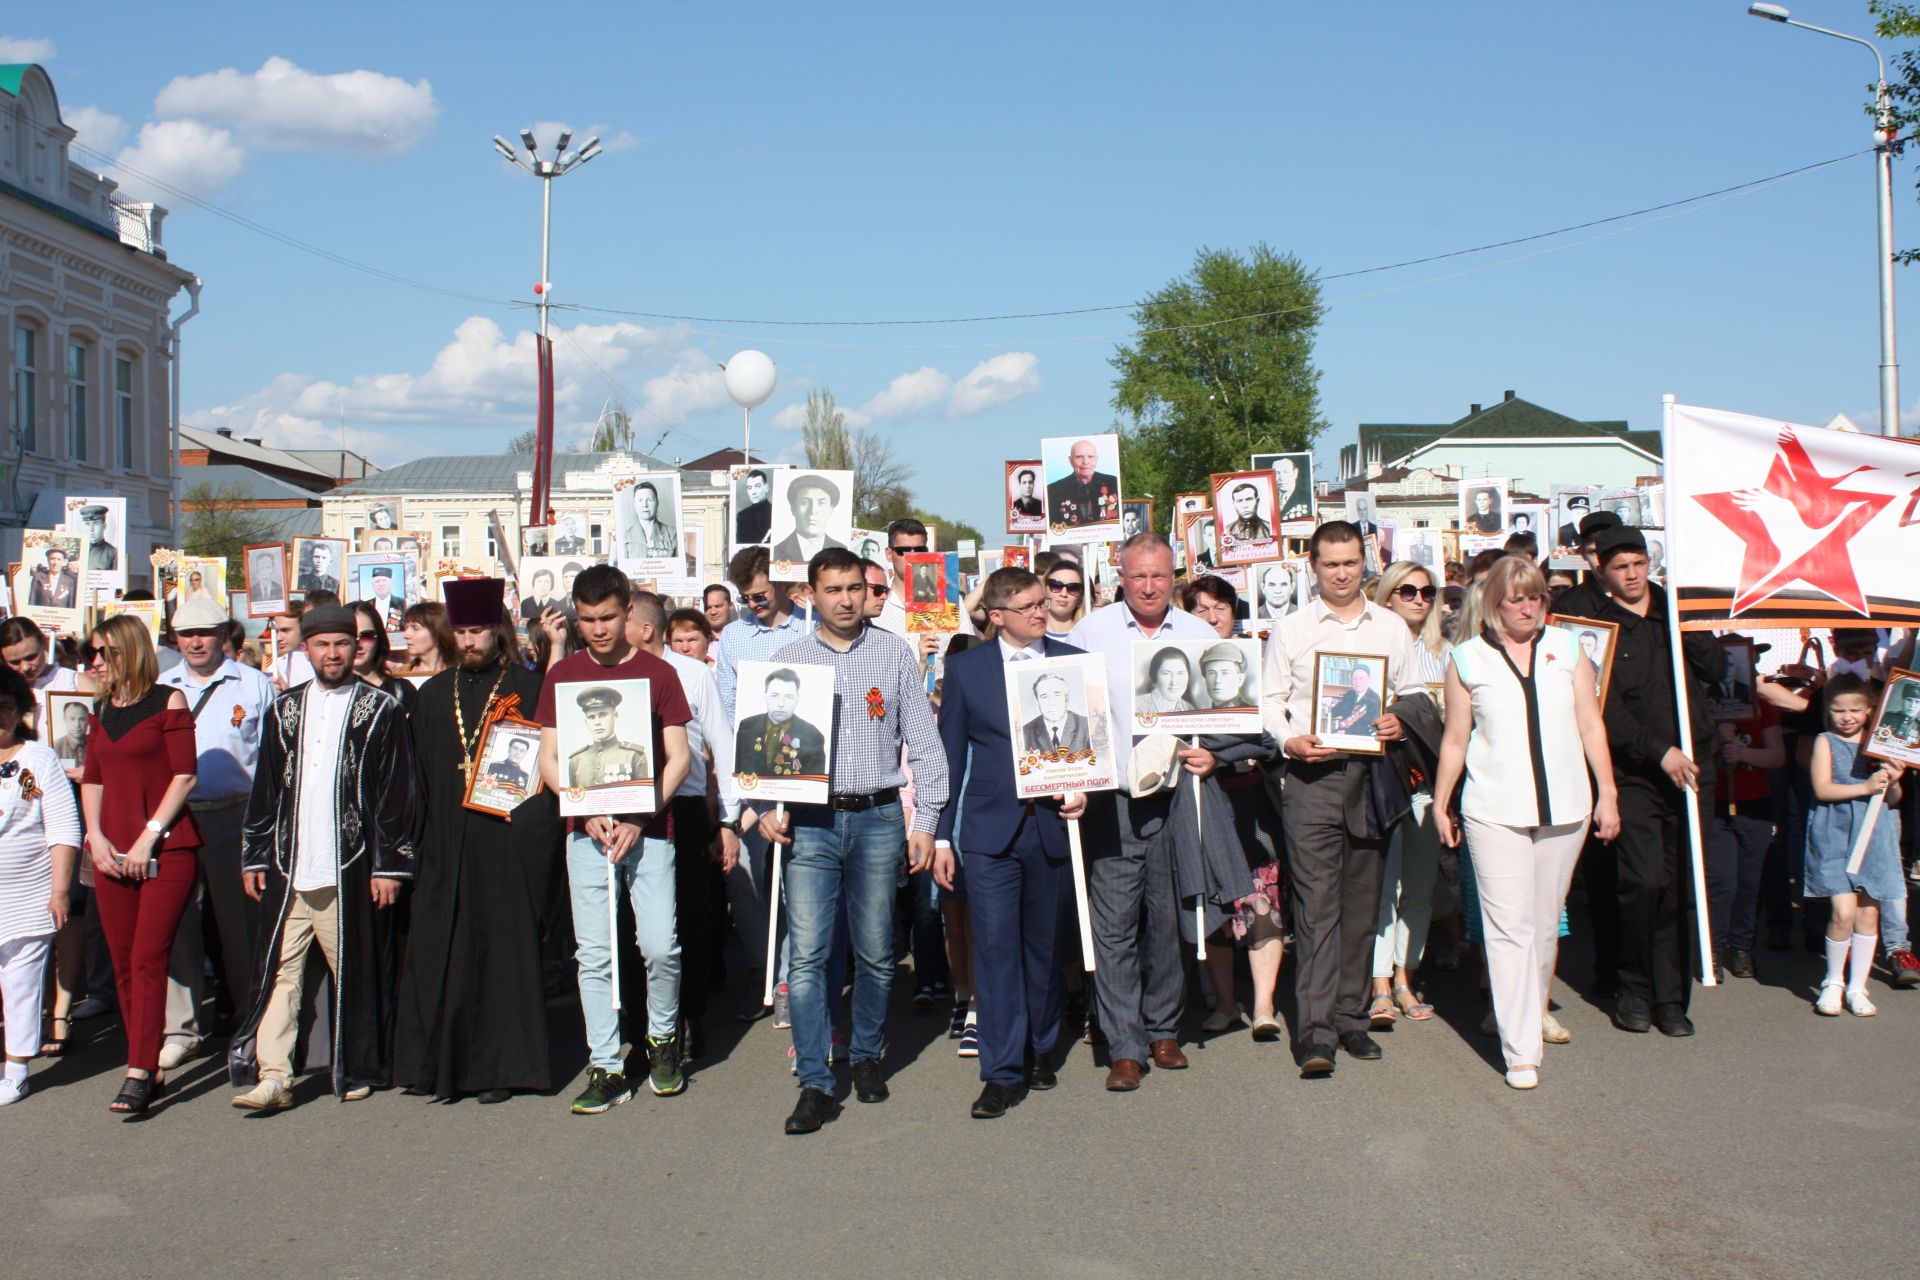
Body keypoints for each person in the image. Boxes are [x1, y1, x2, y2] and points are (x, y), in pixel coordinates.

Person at [757, 547, 949, 1134]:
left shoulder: (892, 653)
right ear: (809, 594)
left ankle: (865, 1056)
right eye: (832, 589)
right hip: (811, 824)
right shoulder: (787, 659)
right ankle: (815, 1080)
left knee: (875, 953)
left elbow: (924, 741)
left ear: (867, 593)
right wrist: (765, 804)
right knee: (810, 956)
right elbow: (760, 746)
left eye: (853, 589)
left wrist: (927, 821)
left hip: (877, 819)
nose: (844, 600)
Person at [1431, 556, 1621, 1089]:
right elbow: (1455, 739)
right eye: (1515, 598)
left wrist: (1607, 793)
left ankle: (1528, 1014)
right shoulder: (1467, 658)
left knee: (1542, 925)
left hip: (1566, 807)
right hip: (1494, 809)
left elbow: (1590, 724)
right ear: (1493, 604)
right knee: (1508, 928)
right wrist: (1442, 802)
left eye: (1535, 596)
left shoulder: (1567, 649)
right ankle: (1521, 1050)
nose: (1526, 606)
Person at [1262, 521, 1436, 1076]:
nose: (1342, 573)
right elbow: (1270, 700)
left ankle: (1351, 1019)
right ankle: (1314, 1034)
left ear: (1366, 563)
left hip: (1373, 778)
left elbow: (1413, 695)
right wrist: (1288, 738)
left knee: (1363, 905)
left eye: (1351, 562)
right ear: (1312, 566)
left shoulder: (1390, 627)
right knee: (1317, 909)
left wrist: (1397, 721)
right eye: (1331, 563)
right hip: (1311, 780)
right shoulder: (1290, 629)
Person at [228, 605, 416, 1111]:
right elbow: (265, 789)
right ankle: (274, 1075)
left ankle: (354, 1065)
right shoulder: (284, 708)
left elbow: (396, 795)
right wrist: (255, 855)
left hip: (348, 865)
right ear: (304, 649)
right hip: (290, 867)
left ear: (357, 648)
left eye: (341, 644)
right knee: (279, 971)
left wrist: (389, 865)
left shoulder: (381, 708)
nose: (331, 654)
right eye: (321, 645)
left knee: (352, 969)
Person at [396, 578, 561, 1104]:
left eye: (478, 631)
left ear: (498, 630)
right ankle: (438, 1065)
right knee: (442, 949)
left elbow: (546, 774)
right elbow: (418, 776)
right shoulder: (432, 695)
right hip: (445, 841)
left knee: (501, 953)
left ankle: (500, 1067)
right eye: (461, 631)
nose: (469, 641)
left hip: (505, 843)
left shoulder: (528, 689)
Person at [535, 566, 692, 1114]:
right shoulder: (562, 675)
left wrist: (639, 817)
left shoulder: (659, 673)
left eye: (607, 618)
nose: (597, 629)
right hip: (587, 835)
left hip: (650, 834)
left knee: (658, 946)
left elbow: (680, 757)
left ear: (629, 613)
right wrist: (583, 808)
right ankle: (605, 1062)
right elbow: (549, 761)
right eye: (586, 620)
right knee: (594, 954)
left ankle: (663, 1039)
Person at [1067, 533, 1217, 1091]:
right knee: (1114, 923)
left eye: (1159, 576)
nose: (1149, 587)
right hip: (1112, 796)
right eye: (1138, 577)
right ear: (1119, 578)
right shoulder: (1091, 633)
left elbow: (1226, 714)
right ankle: (1124, 1045)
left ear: (1173, 576)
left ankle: (1163, 1029)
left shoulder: (1201, 635)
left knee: (1168, 915)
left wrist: (1213, 752)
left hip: (1179, 794)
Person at [933, 568, 1084, 1118]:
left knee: (1042, 951)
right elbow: (949, 758)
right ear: (996, 616)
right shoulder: (966, 669)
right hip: (989, 831)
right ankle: (1000, 1071)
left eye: (1042, 604)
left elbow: (1092, 741)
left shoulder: (1070, 659)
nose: (1041, 613)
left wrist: (1083, 791)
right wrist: (942, 834)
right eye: (1027, 607)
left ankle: (1042, 1047)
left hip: (1051, 825)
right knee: (995, 952)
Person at [1583, 525, 1724, 1037]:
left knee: (1682, 886)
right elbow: (1604, 709)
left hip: (1692, 768)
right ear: (1604, 573)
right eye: (1621, 567)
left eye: (1639, 563)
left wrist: (1692, 620)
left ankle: (1670, 997)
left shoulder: (1675, 611)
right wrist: (1657, 751)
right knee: (1644, 882)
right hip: (1637, 772)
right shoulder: (1598, 628)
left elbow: (1715, 667)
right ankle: (1633, 987)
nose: (1633, 574)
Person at [79, 615, 202, 1114]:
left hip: (166, 850)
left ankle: (136, 1071)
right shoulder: (102, 707)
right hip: (111, 852)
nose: (92, 663)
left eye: (100, 653)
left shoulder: (168, 701)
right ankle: (146, 1063)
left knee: (150, 957)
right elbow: (92, 778)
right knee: (124, 960)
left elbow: (185, 776)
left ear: (125, 652)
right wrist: (97, 838)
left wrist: (148, 838)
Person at [153, 597, 276, 1075]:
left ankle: (249, 1028)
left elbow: (270, 759)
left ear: (223, 633)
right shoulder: (162, 686)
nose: (196, 642)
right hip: (180, 815)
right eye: (186, 634)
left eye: (205, 632)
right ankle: (181, 1030)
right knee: (178, 922)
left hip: (236, 814)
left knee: (238, 925)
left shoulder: (254, 683)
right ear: (175, 639)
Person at [1184, 576, 1287, 1041]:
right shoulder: (1178, 670)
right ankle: (1226, 1003)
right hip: (1202, 802)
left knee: (1262, 899)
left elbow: (1270, 737)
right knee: (1218, 907)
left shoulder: (1257, 663)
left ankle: (1264, 1005)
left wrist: (1222, 753)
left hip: (1250, 800)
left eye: (1219, 607)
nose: (1210, 617)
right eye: (1199, 609)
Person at [713, 547, 809, 1015]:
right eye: (746, 597)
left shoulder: (810, 623)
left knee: (797, 884)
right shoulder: (733, 637)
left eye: (761, 594)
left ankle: (794, 981)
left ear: (783, 585)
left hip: (806, 769)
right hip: (753, 774)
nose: (754, 603)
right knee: (748, 881)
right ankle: (764, 971)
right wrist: (749, 795)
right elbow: (731, 714)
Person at [1365, 563, 1449, 1027]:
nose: (1419, 599)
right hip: (1387, 777)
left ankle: (1405, 978)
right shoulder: (1373, 646)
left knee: (1420, 886)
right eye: (1407, 590)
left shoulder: (1448, 654)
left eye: (1427, 592)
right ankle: (1378, 982)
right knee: (1385, 886)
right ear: (1388, 597)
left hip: (1432, 783)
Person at [0, 664, 81, 1105]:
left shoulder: (37, 760)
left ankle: (16, 1068)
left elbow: (64, 829)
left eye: (6, 708)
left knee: (21, 980)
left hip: (27, 892)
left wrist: (60, 890)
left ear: (19, 711)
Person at [1806, 675, 1907, 1017]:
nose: (1847, 716)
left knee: (1868, 914)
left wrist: (1892, 779)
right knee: (1843, 912)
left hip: (1873, 834)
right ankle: (1833, 981)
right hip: (1834, 832)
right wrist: (1865, 787)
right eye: (1839, 710)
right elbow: (1822, 788)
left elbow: (1892, 799)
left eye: (1855, 709)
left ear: (1870, 711)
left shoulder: (1881, 744)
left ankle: (1857, 986)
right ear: (1828, 711)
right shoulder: (1825, 741)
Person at [1707, 689, 1785, 981]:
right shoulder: (1708, 707)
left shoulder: (1762, 707)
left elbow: (1777, 755)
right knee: (1721, 880)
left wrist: (1743, 753)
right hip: (1717, 807)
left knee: (1750, 881)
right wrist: (1717, 740)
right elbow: (1694, 754)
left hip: (1755, 806)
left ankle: (1741, 946)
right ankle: (1712, 949)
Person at [735, 667, 828, 776]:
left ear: (797, 699)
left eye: (788, 696)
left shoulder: (813, 735)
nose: (781, 703)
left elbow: (813, 783)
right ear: (765, 696)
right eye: (774, 695)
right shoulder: (746, 726)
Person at [351, 602, 419, 716]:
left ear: (380, 638)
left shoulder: (402, 691)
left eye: (367, 636)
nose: (359, 644)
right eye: (351, 636)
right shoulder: (330, 692)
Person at [770, 473, 846, 564]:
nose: (813, 511)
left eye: (821, 503)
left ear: (831, 510)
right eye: (805, 502)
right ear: (793, 508)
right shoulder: (777, 552)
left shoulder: (843, 552)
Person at [1046, 439, 1119, 529]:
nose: (1085, 462)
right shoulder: (1053, 490)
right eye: (1079, 457)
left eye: (1090, 456)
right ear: (1070, 460)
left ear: (1097, 459)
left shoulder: (1113, 483)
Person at [395, 602, 454, 680]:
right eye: (406, 627)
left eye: (415, 628)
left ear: (437, 632)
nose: (406, 635)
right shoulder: (399, 675)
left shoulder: (460, 675)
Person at [621, 480, 677, 560]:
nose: (645, 505)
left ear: (657, 503)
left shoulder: (673, 534)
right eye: (640, 500)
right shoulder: (625, 535)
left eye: (649, 500)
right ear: (634, 504)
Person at [1040, 558, 1085, 643]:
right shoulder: (1028, 635)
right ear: (1044, 589)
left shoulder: (1087, 636)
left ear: (1081, 596)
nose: (1063, 594)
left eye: (1073, 588)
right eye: (1055, 585)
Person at [734, 469, 773, 545]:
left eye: (757, 486)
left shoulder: (777, 513)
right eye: (749, 488)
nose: (753, 492)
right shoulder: (742, 516)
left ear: (766, 488)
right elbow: (740, 545)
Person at [77, 504, 119, 573]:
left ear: (104, 526)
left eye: (96, 524)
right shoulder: (77, 551)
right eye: (87, 524)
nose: (91, 529)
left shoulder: (113, 553)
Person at [365, 567, 405, 633]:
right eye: (377, 581)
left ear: (391, 583)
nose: (381, 584)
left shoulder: (402, 603)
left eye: (384, 580)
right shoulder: (365, 606)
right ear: (372, 585)